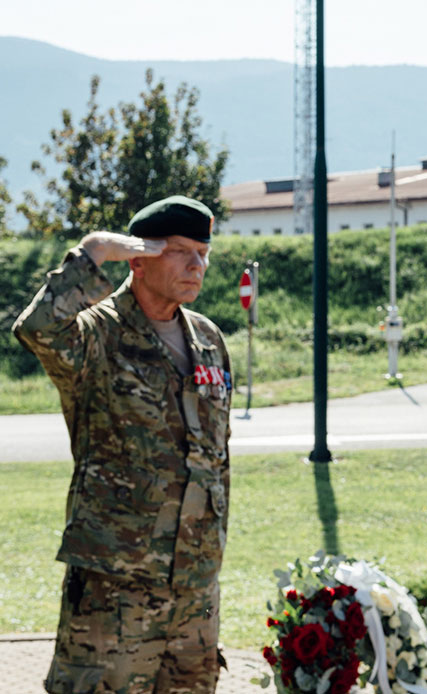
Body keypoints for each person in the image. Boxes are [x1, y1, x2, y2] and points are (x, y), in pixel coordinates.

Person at [13, 195, 232, 694]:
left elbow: (217, 458)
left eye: (204, 253)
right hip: (116, 587)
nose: (197, 265)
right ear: (139, 256)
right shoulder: (97, 334)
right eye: (181, 251)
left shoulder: (208, 340)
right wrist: (92, 252)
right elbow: (37, 329)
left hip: (194, 586)